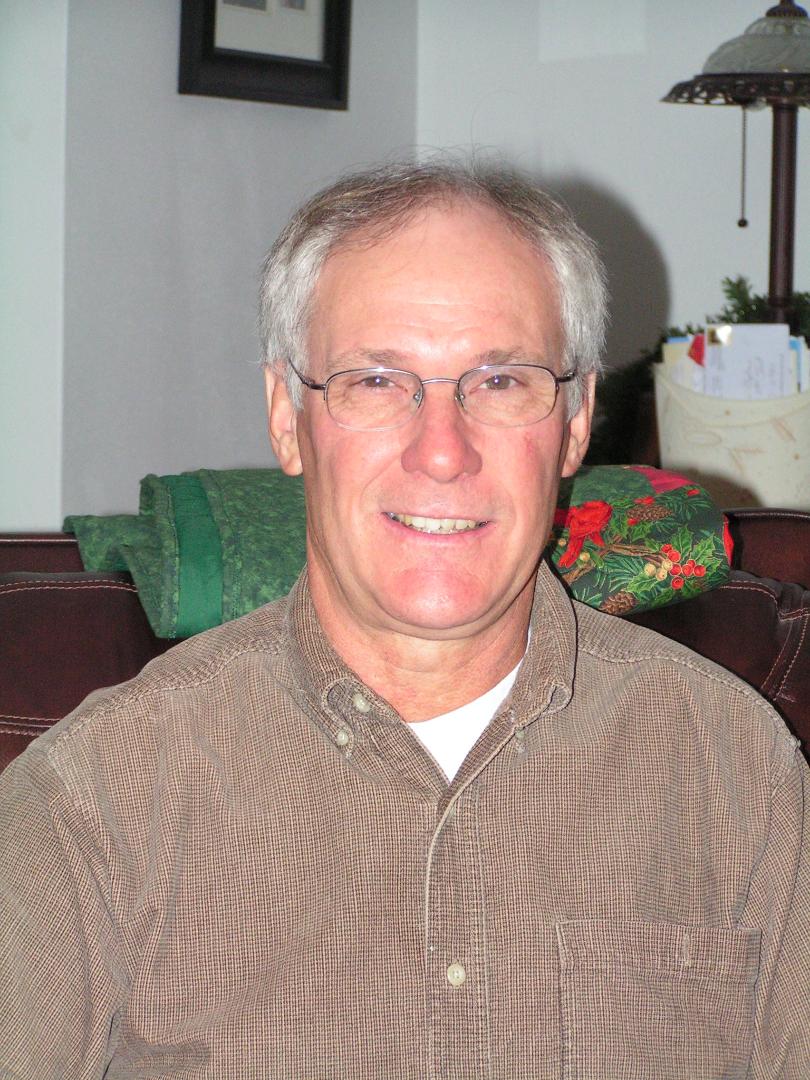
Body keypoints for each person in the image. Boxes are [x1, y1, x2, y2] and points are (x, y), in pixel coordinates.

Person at [1, 161, 807, 1079]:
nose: (442, 451)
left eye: (500, 381)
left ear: (577, 419)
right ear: (287, 416)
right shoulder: (97, 798)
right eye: (378, 381)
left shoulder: (734, 767)